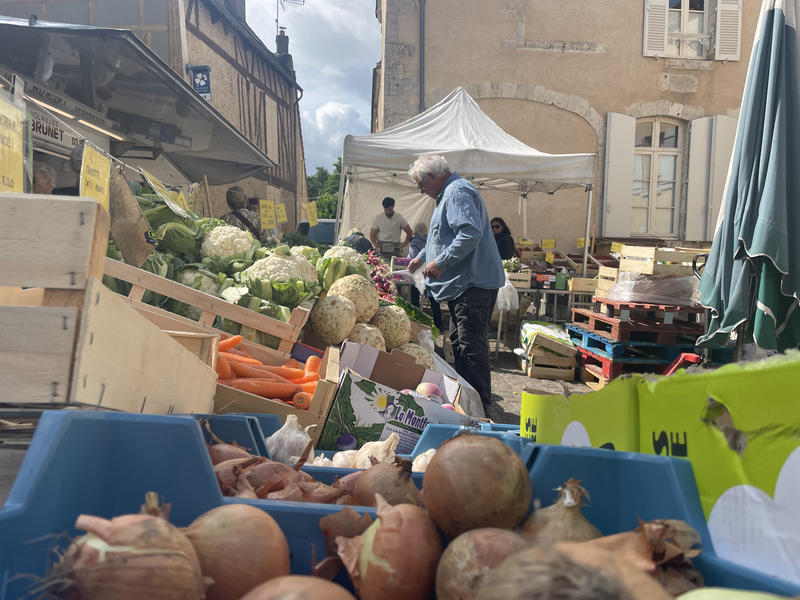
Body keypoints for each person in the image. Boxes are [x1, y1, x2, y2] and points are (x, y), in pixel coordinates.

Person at [408, 154, 504, 410]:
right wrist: (421, 257)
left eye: (420, 183)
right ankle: (468, 402)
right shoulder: (446, 196)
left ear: (431, 176)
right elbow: (440, 238)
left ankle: (480, 408)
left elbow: (469, 233)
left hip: (473, 283)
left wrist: (441, 263)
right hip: (465, 285)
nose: (420, 190)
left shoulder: (457, 192)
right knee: (461, 344)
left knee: (470, 346)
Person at [407, 222, 443, 330]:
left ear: (415, 231)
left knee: (414, 297)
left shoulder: (415, 242)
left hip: (419, 275)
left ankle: (417, 321)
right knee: (434, 300)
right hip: (432, 273)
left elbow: (413, 257)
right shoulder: (431, 241)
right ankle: (438, 324)